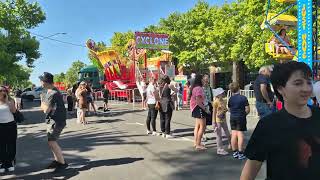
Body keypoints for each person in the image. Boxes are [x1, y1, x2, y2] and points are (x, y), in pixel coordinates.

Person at [241, 61, 320, 180]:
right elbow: (250, 171)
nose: (306, 88)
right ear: (280, 89)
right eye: (298, 83)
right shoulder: (269, 125)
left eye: (309, 82)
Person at [39, 72, 68, 171]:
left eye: (41, 80)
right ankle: (58, 161)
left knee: (52, 142)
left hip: (56, 121)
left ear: (45, 82)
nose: (40, 82)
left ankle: (62, 163)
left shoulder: (52, 93)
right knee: (51, 141)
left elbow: (45, 110)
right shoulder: (52, 90)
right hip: (55, 120)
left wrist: (42, 101)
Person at [228, 82, 250, 160]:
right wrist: (244, 114)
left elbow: (229, 109)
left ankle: (235, 152)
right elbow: (247, 109)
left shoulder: (230, 98)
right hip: (241, 117)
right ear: (239, 88)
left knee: (233, 134)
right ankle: (240, 152)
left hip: (233, 117)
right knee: (240, 134)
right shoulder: (243, 98)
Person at [0, 86, 17, 173]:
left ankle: (10, 162)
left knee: (11, 144)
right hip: (0, 126)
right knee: (1, 145)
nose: (1, 92)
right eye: (0, 90)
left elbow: (14, 111)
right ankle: (2, 163)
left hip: (10, 125)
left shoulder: (10, 100)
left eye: (3, 90)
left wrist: (7, 101)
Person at [190, 74, 209, 150]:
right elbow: (198, 101)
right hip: (199, 108)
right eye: (203, 78)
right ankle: (198, 144)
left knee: (197, 126)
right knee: (202, 126)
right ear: (200, 79)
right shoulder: (199, 88)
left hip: (195, 107)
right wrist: (205, 108)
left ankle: (196, 142)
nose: (204, 80)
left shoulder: (195, 87)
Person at [212, 88, 231, 155]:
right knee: (219, 135)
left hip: (223, 119)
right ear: (218, 94)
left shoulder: (224, 101)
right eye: (222, 93)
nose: (223, 94)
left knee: (227, 132)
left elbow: (226, 109)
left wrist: (225, 110)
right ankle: (219, 149)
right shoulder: (215, 102)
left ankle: (231, 144)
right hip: (218, 121)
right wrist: (214, 122)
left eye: (223, 93)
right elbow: (214, 112)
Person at [202, 74, 213, 142]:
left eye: (207, 80)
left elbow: (211, 97)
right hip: (203, 105)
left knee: (207, 122)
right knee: (203, 122)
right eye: (205, 80)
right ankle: (202, 135)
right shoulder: (201, 88)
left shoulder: (209, 88)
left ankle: (204, 134)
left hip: (209, 105)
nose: (206, 81)